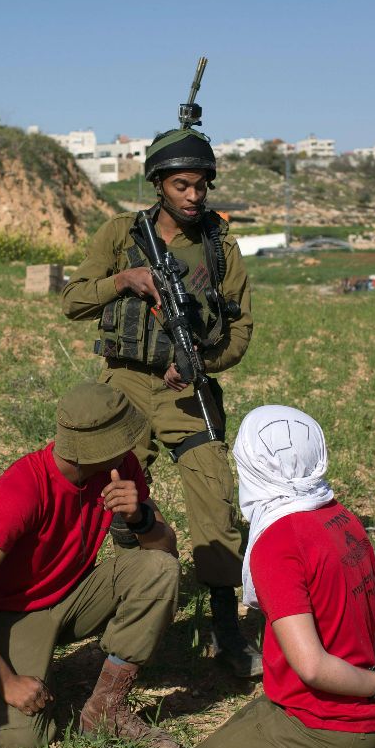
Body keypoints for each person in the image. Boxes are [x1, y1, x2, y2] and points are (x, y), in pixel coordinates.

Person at [165, 406, 375, 748]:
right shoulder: (339, 515)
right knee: (247, 725)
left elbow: (310, 666)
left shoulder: (278, 544)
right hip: (360, 708)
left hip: (323, 716)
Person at [60, 117, 259, 679]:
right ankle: (123, 601)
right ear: (158, 184)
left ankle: (225, 627)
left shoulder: (220, 247)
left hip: (185, 389)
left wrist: (198, 363)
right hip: (123, 381)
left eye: (201, 185)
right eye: (182, 186)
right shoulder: (122, 235)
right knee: (109, 491)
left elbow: (240, 326)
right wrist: (125, 280)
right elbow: (74, 300)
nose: (194, 196)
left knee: (216, 495)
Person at [0, 382, 183, 748]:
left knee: (158, 570)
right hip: (11, 613)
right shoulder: (22, 489)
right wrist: (7, 682)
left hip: (73, 594)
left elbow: (165, 552)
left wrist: (140, 518)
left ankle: (106, 709)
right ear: (93, 450)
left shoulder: (119, 467)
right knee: (25, 745)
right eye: (122, 439)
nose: (131, 447)